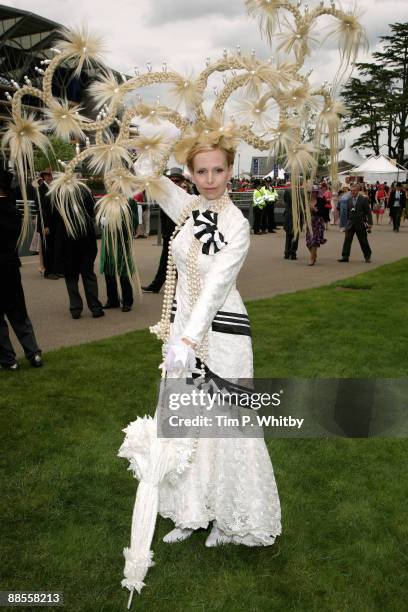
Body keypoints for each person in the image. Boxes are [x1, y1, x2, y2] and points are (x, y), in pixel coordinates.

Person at [119, 142, 281, 588]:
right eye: (201, 171)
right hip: (183, 335)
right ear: (190, 172)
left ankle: (231, 520)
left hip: (223, 334)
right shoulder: (186, 206)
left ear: (231, 171)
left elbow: (217, 286)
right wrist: (168, 137)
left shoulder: (237, 223)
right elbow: (147, 174)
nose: (210, 179)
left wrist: (189, 338)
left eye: (218, 170)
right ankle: (190, 511)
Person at [0, 169, 43, 370]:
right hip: (10, 266)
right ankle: (33, 352)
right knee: (18, 311)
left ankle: (8, 359)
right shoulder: (12, 211)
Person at [53, 188, 104, 319]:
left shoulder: (62, 204)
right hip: (84, 246)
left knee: (72, 278)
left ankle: (76, 308)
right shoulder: (85, 201)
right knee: (87, 276)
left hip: (69, 247)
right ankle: (95, 307)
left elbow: (57, 230)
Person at [142, 168, 184, 294]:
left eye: (177, 180)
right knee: (165, 261)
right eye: (172, 180)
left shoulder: (185, 194)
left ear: (182, 181)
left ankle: (187, 289)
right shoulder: (166, 194)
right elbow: (162, 216)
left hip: (183, 235)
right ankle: (156, 285)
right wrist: (165, 233)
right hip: (169, 235)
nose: (175, 182)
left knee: (184, 263)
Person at [100, 202, 136, 312]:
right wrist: (103, 222)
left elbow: (133, 222)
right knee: (108, 270)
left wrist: (119, 224)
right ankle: (112, 299)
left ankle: (127, 301)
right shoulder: (107, 201)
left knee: (124, 270)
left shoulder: (129, 202)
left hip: (122, 241)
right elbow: (100, 217)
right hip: (108, 240)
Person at [338, 183, 373, 263]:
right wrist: (345, 223)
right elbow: (347, 212)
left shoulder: (363, 199)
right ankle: (345, 256)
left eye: (354, 191)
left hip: (360, 223)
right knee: (347, 240)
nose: (352, 192)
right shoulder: (349, 200)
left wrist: (370, 223)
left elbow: (368, 212)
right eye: (351, 191)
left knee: (363, 240)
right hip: (350, 223)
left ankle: (367, 256)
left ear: (358, 191)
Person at [306, 191, 327, 266]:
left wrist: (315, 210)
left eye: (315, 192)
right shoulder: (306, 200)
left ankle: (312, 258)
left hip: (318, 222)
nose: (313, 193)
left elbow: (323, 212)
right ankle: (314, 255)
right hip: (309, 222)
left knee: (315, 240)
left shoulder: (321, 201)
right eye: (312, 192)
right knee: (308, 242)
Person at [283, 186, 300, 260]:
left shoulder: (287, 191)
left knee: (288, 235)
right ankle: (293, 253)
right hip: (296, 215)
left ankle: (287, 252)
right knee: (295, 235)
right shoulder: (299, 192)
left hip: (288, 215)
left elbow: (285, 201)